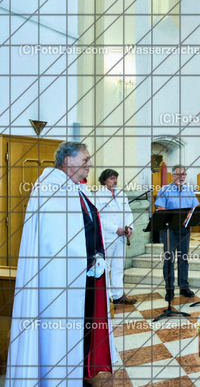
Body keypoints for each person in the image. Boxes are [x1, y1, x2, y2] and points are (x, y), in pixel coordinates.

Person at [6, 141, 118, 384]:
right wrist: (86, 259)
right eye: (85, 160)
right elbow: (55, 244)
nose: (90, 165)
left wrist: (96, 255)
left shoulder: (75, 189)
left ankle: (77, 373)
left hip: (84, 277)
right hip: (61, 280)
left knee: (84, 327)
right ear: (68, 161)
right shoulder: (50, 189)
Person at [155, 165, 199, 301]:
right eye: (179, 175)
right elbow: (160, 208)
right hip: (169, 229)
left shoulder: (189, 190)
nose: (182, 177)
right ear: (173, 176)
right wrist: (177, 217)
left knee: (183, 258)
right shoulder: (164, 190)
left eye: (184, 175)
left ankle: (184, 287)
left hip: (184, 228)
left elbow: (194, 207)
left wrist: (188, 216)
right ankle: (169, 289)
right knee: (169, 258)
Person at [94, 169, 136, 305]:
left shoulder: (122, 195)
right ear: (104, 180)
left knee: (119, 266)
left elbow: (128, 213)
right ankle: (107, 297)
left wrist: (129, 227)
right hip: (108, 237)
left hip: (121, 237)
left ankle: (118, 295)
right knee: (106, 267)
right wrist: (115, 229)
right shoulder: (97, 196)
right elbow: (98, 218)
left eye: (116, 178)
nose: (115, 181)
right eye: (112, 178)